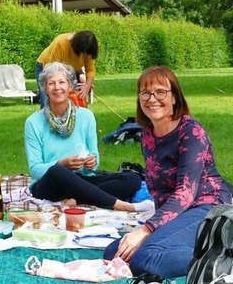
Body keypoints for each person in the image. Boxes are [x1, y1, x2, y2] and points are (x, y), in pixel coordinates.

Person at [104, 66, 233, 279]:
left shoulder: (190, 131)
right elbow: (159, 191)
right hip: (176, 214)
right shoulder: (147, 135)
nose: (152, 98)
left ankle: (226, 257)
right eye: (145, 93)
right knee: (115, 253)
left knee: (146, 258)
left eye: (161, 92)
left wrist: (146, 230)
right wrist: (154, 229)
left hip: (207, 208)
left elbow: (185, 194)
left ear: (174, 97)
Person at [24, 62, 148, 211]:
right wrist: (62, 164)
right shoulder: (33, 122)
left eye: (62, 82)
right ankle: (124, 206)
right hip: (49, 185)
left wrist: (91, 161)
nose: (57, 87)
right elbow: (35, 169)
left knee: (132, 179)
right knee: (58, 171)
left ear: (70, 86)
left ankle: (75, 201)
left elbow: (94, 157)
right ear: (45, 88)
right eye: (51, 83)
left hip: (81, 178)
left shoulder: (86, 116)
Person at [35, 31, 98, 108]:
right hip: (48, 68)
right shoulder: (61, 43)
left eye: (86, 53)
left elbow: (90, 70)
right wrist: (58, 86)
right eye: (82, 52)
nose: (83, 55)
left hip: (70, 70)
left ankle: (72, 119)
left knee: (74, 100)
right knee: (48, 102)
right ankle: (48, 118)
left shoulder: (88, 49)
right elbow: (53, 70)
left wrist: (87, 86)